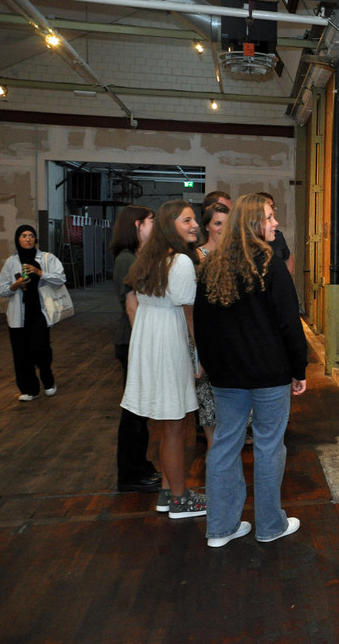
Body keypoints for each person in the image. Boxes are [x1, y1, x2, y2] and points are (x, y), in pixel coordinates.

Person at [195, 194, 307, 547]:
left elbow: (202, 325)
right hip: (269, 374)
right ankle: (270, 525)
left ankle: (221, 528)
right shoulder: (270, 264)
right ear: (253, 223)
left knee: (225, 445)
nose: (275, 223)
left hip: (227, 377)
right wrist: (299, 368)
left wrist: (212, 367)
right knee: (269, 446)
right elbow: (289, 321)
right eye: (270, 217)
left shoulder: (212, 265)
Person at [121, 199, 206, 519]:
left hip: (149, 341)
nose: (195, 225)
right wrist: (199, 355)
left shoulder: (148, 258)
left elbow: (134, 303)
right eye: (187, 220)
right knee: (174, 427)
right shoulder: (180, 262)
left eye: (194, 219)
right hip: (169, 343)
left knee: (169, 423)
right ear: (171, 226)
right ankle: (180, 499)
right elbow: (190, 315)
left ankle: (168, 492)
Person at [108, 206, 160, 492]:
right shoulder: (127, 259)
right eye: (151, 221)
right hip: (133, 342)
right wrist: (145, 345)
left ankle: (139, 465)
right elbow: (132, 307)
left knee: (141, 410)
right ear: (138, 225)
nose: (155, 225)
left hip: (137, 341)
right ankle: (130, 473)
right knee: (135, 411)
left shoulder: (137, 256)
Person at [0, 225, 67, 401]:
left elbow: (61, 279)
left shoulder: (47, 258)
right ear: (17, 239)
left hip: (40, 313)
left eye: (31, 236)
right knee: (21, 353)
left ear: (35, 239)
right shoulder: (11, 262)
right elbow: (1, 289)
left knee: (40, 349)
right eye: (23, 236)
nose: (28, 239)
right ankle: (29, 389)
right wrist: (16, 285)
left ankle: (48, 380)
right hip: (18, 315)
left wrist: (39, 272)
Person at [192, 201, 231, 451]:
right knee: (207, 399)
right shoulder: (196, 257)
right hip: (206, 334)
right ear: (207, 226)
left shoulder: (236, 256)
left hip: (231, 336)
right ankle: (212, 450)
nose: (222, 229)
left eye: (227, 224)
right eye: (217, 223)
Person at [257, 192, 294, 275]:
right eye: (268, 217)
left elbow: (288, 259)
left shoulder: (278, 236)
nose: (276, 223)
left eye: (272, 207)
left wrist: (286, 280)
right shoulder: (244, 243)